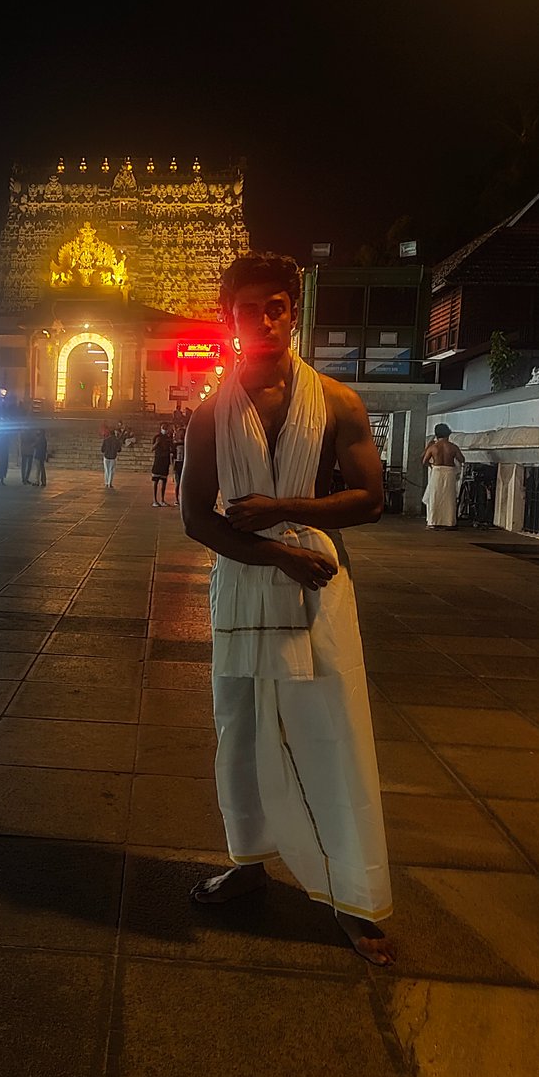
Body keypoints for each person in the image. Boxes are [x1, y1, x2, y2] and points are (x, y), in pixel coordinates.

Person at [181, 250, 394, 966]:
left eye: (278, 305)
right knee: (238, 734)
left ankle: (350, 891)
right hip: (246, 582)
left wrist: (284, 511)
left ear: (292, 312)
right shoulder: (212, 412)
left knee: (332, 735)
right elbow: (196, 519)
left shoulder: (337, 401)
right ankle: (248, 864)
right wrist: (275, 550)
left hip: (317, 590)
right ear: (230, 317)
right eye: (251, 308)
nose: (266, 318)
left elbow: (369, 498)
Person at [422, 423, 464, 529]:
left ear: (437, 435)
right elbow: (462, 459)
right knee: (449, 497)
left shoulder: (433, 447)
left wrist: (432, 466)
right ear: (448, 434)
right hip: (449, 471)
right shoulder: (453, 447)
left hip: (437, 471)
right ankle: (449, 522)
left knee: (435, 496)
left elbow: (424, 461)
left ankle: (433, 521)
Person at [151, 423, 172, 506]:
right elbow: (152, 449)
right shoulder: (157, 437)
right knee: (155, 481)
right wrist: (157, 443)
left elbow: (171, 448)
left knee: (164, 481)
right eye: (164, 428)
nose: (165, 429)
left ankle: (162, 500)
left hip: (165, 461)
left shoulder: (168, 438)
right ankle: (155, 500)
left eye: (166, 428)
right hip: (158, 461)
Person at [172, 423, 185, 506]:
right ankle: (177, 499)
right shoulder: (175, 444)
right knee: (178, 482)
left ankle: (183, 498)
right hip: (178, 463)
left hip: (184, 463)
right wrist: (173, 466)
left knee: (184, 483)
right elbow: (172, 456)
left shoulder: (187, 443)